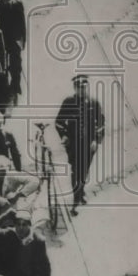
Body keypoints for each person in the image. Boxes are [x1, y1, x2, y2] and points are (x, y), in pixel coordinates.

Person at [55, 74, 105, 213]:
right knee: (76, 171)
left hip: (89, 145)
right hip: (73, 144)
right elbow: (59, 122)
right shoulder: (68, 102)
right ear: (74, 88)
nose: (81, 90)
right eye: (78, 88)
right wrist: (64, 135)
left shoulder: (94, 103)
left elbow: (101, 123)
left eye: (84, 87)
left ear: (87, 87)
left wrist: (96, 140)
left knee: (84, 171)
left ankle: (81, 192)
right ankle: (76, 200)